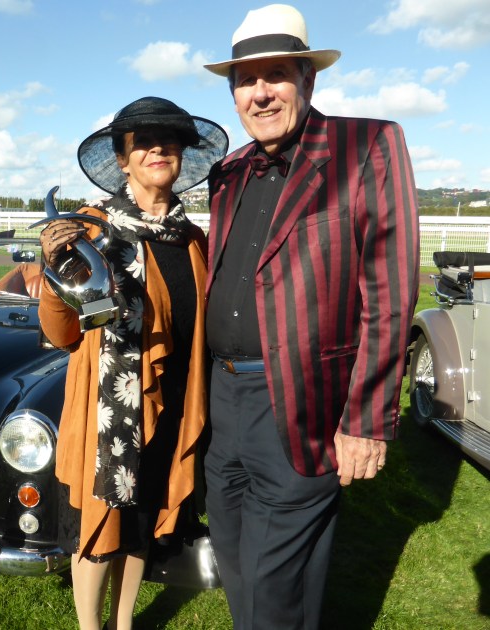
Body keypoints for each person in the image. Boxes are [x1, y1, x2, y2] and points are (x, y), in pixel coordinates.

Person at [201, 5, 420, 629]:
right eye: (247, 80)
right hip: (222, 398)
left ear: (309, 79)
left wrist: (369, 420)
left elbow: (390, 290)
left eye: (276, 75)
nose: (261, 93)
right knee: (236, 563)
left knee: (277, 586)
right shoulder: (228, 170)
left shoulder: (366, 145)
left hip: (299, 402)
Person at [38, 96, 228, 630]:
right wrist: (55, 269)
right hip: (110, 411)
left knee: (143, 521)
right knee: (102, 524)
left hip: (172, 404)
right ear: (123, 160)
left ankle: (123, 625)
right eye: (141, 141)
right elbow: (63, 332)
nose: (156, 148)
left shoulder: (192, 241)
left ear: (182, 157)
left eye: (169, 140)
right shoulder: (91, 232)